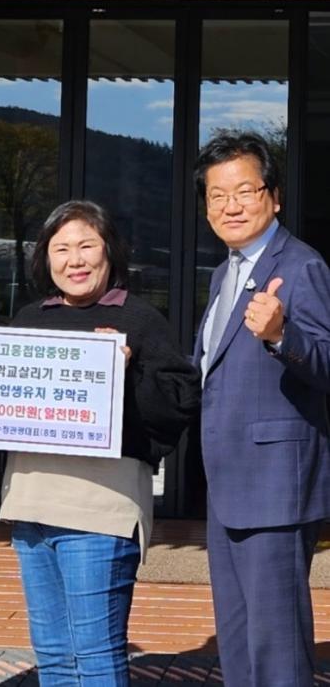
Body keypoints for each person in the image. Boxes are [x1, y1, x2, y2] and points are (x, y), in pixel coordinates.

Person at [0, 200, 201, 685]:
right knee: (53, 657)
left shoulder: (139, 319)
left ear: (110, 252)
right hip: (30, 505)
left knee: (95, 656)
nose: (76, 260)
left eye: (87, 246)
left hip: (99, 512)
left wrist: (124, 373)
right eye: (62, 248)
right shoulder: (28, 320)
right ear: (45, 257)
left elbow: (178, 405)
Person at [193, 132, 330, 687]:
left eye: (244, 191)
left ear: (273, 197)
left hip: (275, 488)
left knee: (277, 651)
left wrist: (281, 335)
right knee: (238, 643)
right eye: (216, 195)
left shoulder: (301, 266)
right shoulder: (224, 272)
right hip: (228, 484)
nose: (230, 205)